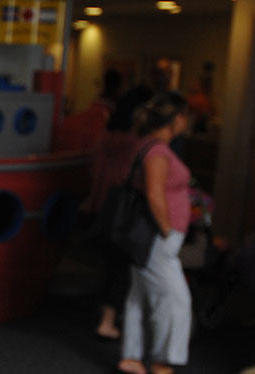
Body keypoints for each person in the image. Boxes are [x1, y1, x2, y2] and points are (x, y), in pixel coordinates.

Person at [118, 93, 193, 374]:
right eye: (186, 116)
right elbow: (154, 194)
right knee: (175, 300)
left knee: (139, 295)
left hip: (151, 236)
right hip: (156, 236)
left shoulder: (152, 146)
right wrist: (167, 230)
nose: (188, 121)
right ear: (177, 119)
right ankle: (163, 362)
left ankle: (132, 357)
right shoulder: (159, 151)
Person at [85, 85, 154, 340]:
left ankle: (108, 314)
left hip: (103, 205)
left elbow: (93, 169)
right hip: (124, 212)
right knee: (121, 269)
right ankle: (108, 319)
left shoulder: (106, 137)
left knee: (112, 266)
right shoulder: (139, 144)